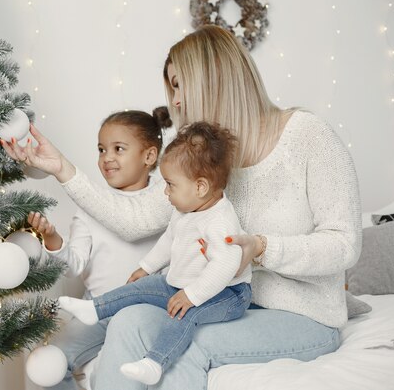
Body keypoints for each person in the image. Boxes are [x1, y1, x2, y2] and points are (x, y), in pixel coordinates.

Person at [2, 24, 361, 390]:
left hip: (303, 317)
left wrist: (263, 248)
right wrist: (61, 167)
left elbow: (345, 245)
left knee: (186, 343)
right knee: (129, 321)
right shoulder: (205, 160)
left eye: (178, 85)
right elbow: (136, 218)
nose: (174, 101)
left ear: (213, 80)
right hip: (226, 305)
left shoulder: (309, 137)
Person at [59, 121, 252, 385]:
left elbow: (226, 265)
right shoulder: (185, 211)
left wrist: (191, 296)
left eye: (171, 185)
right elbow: (168, 241)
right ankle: (95, 309)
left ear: (200, 187)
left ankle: (155, 362)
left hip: (228, 294)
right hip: (187, 285)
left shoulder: (219, 222)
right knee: (143, 286)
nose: (165, 191)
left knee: (186, 314)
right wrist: (146, 267)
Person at [25, 109, 168, 389]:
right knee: (48, 362)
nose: (107, 158)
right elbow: (73, 265)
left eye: (119, 149)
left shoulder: (165, 199)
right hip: (98, 308)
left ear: (149, 156)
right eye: (102, 149)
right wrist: (53, 238)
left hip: (147, 310)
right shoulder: (91, 204)